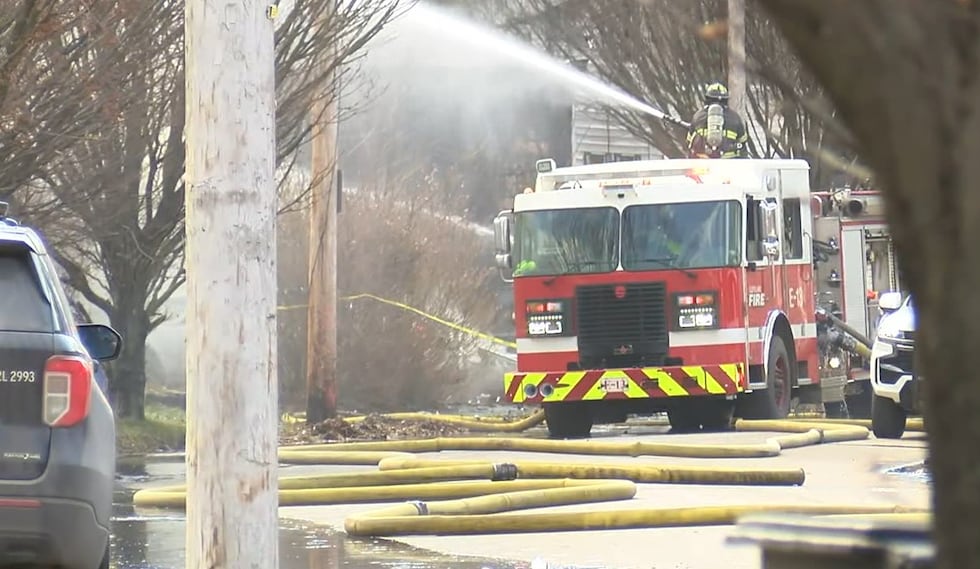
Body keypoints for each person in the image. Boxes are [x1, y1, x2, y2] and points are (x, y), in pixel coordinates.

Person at [686, 82, 749, 159]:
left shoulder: (698, 116)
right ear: (725, 99)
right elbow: (742, 143)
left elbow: (689, 142)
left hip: (703, 164)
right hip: (729, 165)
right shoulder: (735, 117)